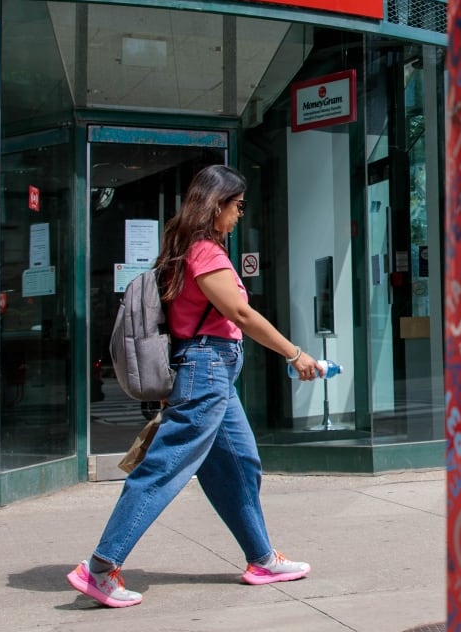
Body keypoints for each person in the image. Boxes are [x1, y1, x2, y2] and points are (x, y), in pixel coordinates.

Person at [68, 164, 323, 608]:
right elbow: (241, 316)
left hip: (210, 372)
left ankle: (262, 558)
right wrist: (295, 353)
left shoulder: (184, 247)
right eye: (237, 206)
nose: (239, 215)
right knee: (163, 468)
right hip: (207, 370)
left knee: (240, 464)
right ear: (217, 204)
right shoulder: (204, 251)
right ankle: (100, 567)